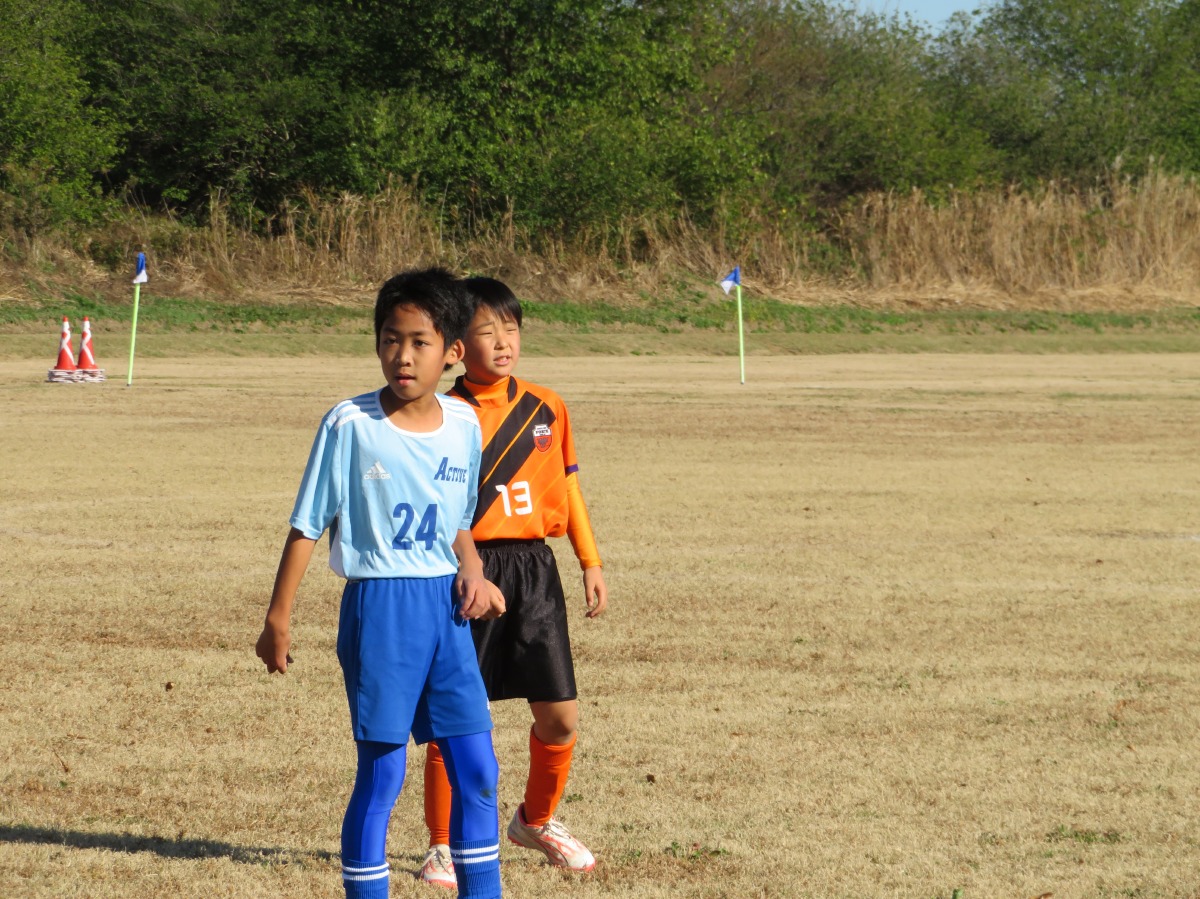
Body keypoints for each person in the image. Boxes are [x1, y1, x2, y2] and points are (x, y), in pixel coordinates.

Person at [255, 268, 505, 899]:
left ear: (452, 351)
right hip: (382, 607)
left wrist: (474, 571)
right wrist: (278, 617)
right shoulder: (350, 424)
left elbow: (457, 524)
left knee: (479, 770)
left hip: (447, 612)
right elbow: (308, 524)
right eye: (391, 339)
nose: (403, 356)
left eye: (420, 342)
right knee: (384, 774)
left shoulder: (464, 424)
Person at [417, 276, 608, 890]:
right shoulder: (444, 414)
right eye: (486, 331)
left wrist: (589, 560)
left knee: (561, 717)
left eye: (512, 329)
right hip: (466, 569)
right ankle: (442, 846)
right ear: (456, 345)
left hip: (534, 570)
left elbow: (568, 486)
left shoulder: (548, 406)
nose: (502, 342)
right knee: (453, 721)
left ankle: (536, 820)